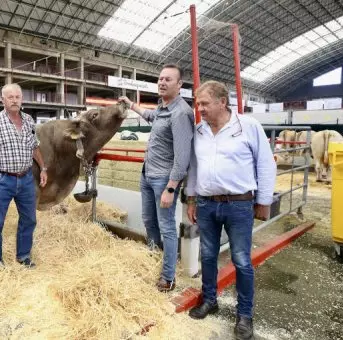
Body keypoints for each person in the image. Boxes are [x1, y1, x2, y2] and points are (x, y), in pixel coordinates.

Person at [184, 80, 276, 340]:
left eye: (204, 103)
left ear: (222, 102)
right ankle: (209, 300)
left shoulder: (248, 126)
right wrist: (191, 199)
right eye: (197, 103)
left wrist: (264, 201)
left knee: (242, 260)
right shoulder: (199, 131)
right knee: (208, 254)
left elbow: (266, 164)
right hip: (206, 203)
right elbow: (194, 168)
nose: (199, 108)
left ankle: (245, 315)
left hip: (239, 204)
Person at [118, 63, 194, 292]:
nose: (162, 82)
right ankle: (152, 259)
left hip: (164, 180)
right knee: (149, 221)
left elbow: (183, 156)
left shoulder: (181, 113)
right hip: (147, 174)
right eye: (160, 79)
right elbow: (150, 116)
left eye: (168, 79)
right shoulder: (163, 107)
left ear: (179, 85)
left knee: (167, 227)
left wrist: (171, 188)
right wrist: (131, 104)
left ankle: (168, 277)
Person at [0, 83, 48, 267]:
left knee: (29, 219)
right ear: (3, 100)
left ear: (22, 99)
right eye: (10, 97)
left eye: (17, 97)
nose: (14, 100)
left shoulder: (28, 120)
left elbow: (34, 146)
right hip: (1, 180)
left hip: (26, 179)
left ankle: (23, 256)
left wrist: (43, 168)